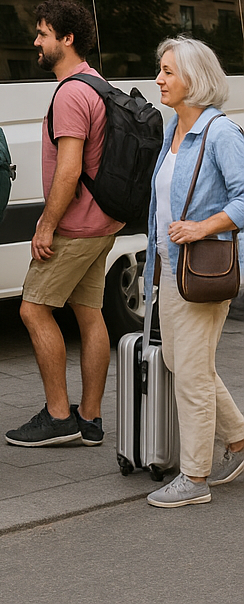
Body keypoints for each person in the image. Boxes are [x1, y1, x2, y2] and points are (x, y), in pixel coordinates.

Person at [6, 0, 122, 449]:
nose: (36, 41)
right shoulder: (97, 82)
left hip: (75, 227)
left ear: (66, 39)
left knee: (33, 309)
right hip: (104, 223)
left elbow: (69, 169)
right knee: (90, 314)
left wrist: (45, 226)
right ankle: (90, 420)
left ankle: (59, 416)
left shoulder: (72, 93)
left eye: (43, 33)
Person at [143, 36, 244, 507]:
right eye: (160, 70)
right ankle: (240, 439)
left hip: (203, 269)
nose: (158, 79)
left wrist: (203, 226)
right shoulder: (173, 129)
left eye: (167, 71)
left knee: (191, 375)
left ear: (194, 80)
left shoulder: (221, 133)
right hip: (170, 266)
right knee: (177, 362)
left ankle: (195, 478)